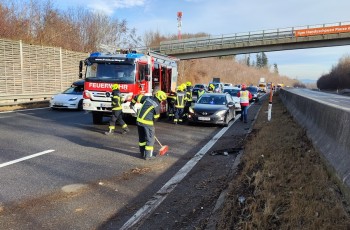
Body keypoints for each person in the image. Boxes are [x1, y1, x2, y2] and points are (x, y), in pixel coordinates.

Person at [131, 90, 167, 160]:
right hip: (147, 123)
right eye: (162, 100)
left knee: (142, 139)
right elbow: (156, 118)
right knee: (150, 139)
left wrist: (132, 104)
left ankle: (142, 153)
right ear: (160, 99)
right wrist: (151, 126)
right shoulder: (157, 105)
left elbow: (137, 97)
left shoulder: (148, 98)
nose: (162, 101)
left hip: (139, 121)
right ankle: (148, 156)